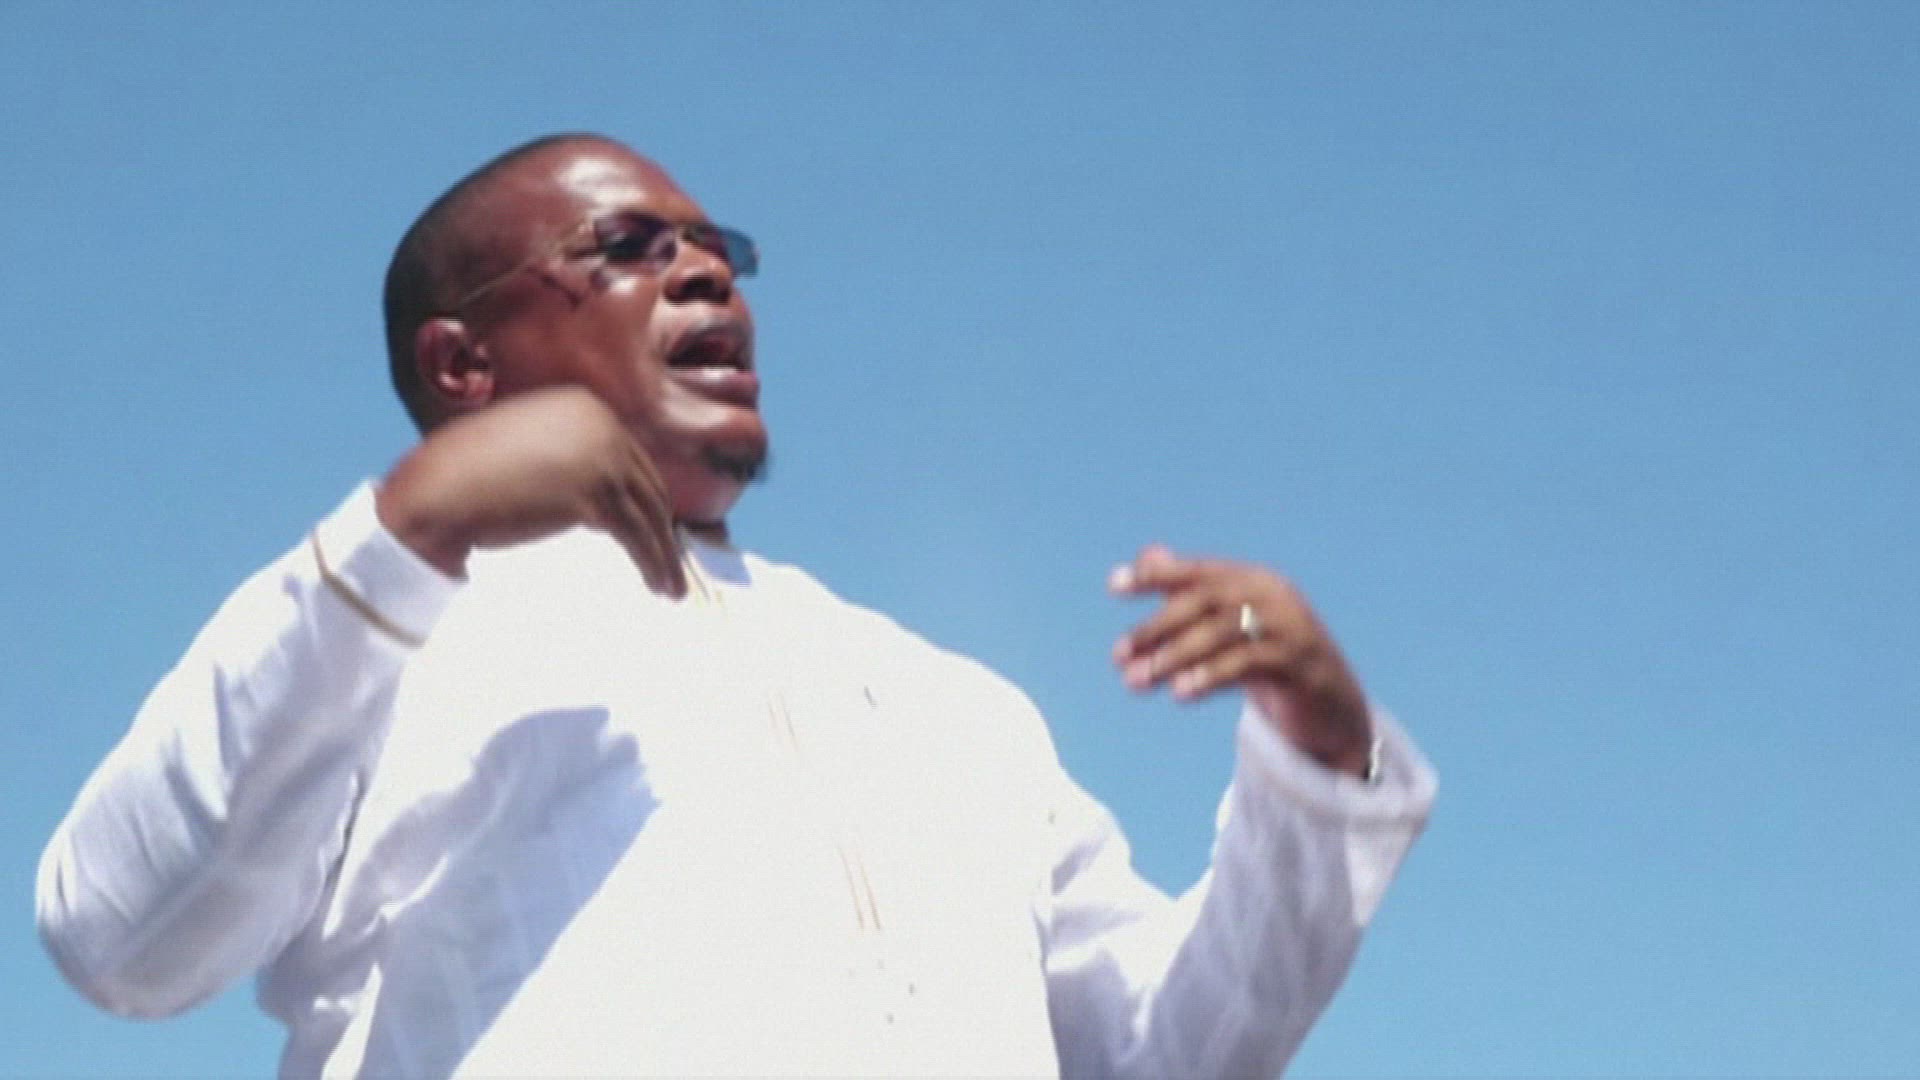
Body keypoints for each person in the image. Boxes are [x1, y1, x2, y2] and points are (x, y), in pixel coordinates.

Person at [38, 133, 1437, 1078]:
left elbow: (1163, 1054)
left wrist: (1321, 759)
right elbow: (120, 939)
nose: (707, 273)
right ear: (463, 364)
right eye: (630, 245)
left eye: (718, 250)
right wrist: (414, 524)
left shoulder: (940, 701)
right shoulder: (368, 630)